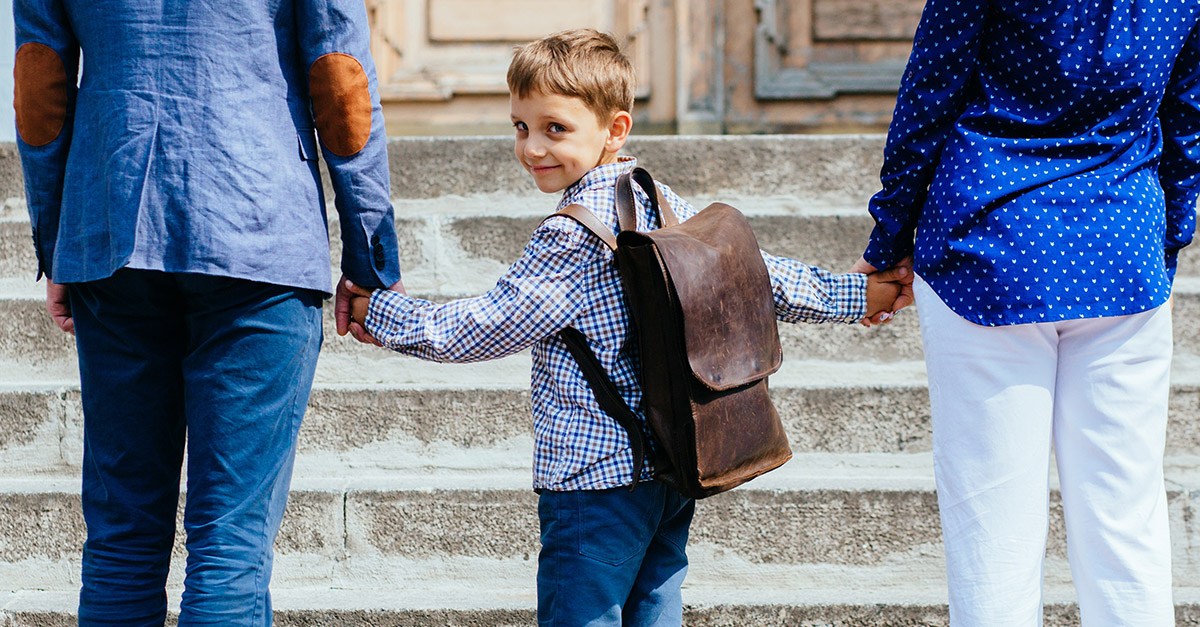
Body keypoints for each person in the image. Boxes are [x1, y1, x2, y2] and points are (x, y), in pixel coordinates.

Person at [344, 28, 912, 626]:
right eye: (520, 126)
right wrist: (858, 294)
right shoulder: (657, 200)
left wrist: (380, 314)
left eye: (554, 129)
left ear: (615, 129)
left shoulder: (571, 235)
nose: (532, 147)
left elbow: (481, 327)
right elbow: (754, 278)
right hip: (672, 465)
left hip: (596, 484)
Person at [13, 0, 402, 624]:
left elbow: (39, 86)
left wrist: (57, 238)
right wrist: (371, 252)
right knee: (231, 545)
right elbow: (341, 80)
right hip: (258, 222)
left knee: (121, 539)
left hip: (113, 229)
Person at [856, 1, 1200, 624]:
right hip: (1121, 244)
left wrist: (888, 243)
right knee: (1126, 519)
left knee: (992, 526)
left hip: (989, 244)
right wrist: (1166, 235)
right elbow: (1187, 119)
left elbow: (930, 95)